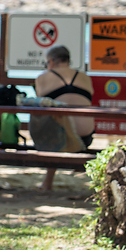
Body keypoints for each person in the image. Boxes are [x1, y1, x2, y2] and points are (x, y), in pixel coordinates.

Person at [34, 44, 94, 191]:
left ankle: (47, 182)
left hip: (60, 138)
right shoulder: (84, 77)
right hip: (86, 136)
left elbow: (40, 103)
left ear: (52, 62)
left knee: (52, 123)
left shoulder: (43, 78)